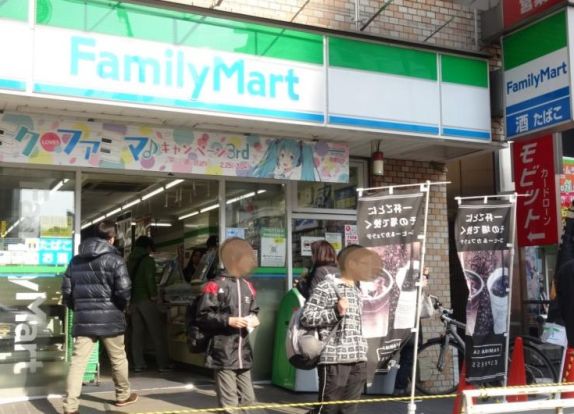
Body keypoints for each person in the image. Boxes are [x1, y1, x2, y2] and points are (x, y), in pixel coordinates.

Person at [61, 221, 137, 414]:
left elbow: (67, 292)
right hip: (111, 318)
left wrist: (78, 309)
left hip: (84, 319)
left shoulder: (75, 260)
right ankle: (122, 396)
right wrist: (120, 308)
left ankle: (70, 407)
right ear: (111, 238)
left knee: (78, 362)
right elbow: (124, 290)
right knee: (118, 358)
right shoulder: (115, 260)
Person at [300, 245, 380, 414]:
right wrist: (336, 311)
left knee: (348, 410)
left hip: (358, 359)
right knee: (328, 409)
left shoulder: (359, 290)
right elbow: (306, 317)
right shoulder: (327, 287)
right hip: (335, 359)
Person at [196, 237, 260, 413]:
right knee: (229, 405)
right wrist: (227, 320)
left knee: (249, 402)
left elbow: (254, 309)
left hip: (243, 353)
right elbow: (202, 316)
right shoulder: (214, 286)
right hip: (223, 353)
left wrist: (254, 318)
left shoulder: (248, 286)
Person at [128, 235, 171, 372]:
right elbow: (149, 279)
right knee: (156, 332)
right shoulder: (147, 261)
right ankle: (163, 364)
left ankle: (138, 363)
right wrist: (154, 296)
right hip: (146, 299)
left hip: (133, 300)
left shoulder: (129, 260)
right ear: (148, 247)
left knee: (137, 333)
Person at [394, 267, 429, 395]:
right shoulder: (412, 285)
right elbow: (423, 290)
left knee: (407, 354)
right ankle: (400, 387)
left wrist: (425, 275)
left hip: (400, 319)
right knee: (409, 354)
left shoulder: (401, 276)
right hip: (410, 320)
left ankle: (400, 386)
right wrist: (424, 277)